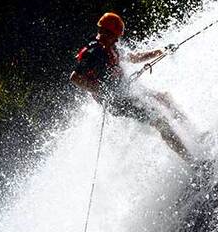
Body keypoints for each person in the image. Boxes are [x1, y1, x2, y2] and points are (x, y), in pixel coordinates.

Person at [69, 12, 194, 162]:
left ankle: (195, 135)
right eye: (115, 36)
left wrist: (161, 51)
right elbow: (75, 78)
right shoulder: (94, 52)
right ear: (105, 33)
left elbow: (134, 57)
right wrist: (102, 91)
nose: (117, 40)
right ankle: (193, 162)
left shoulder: (110, 47)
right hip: (115, 102)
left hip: (124, 90)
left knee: (164, 98)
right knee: (160, 121)